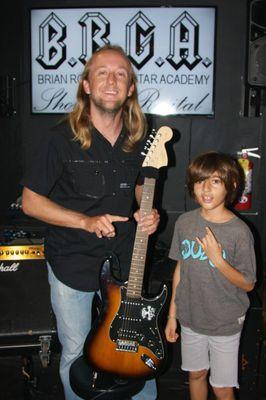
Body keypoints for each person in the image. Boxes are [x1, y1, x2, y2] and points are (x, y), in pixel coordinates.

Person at [21, 44, 159, 400]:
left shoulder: (141, 135)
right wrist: (84, 221)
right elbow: (31, 202)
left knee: (133, 345)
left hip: (126, 258)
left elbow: (142, 186)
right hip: (72, 259)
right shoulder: (58, 138)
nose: (111, 81)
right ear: (86, 84)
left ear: (130, 88)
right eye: (102, 72)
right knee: (76, 353)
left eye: (120, 74)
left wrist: (149, 210)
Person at [165, 151, 256, 400]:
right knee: (196, 375)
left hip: (225, 322)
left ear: (232, 185)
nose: (205, 188)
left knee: (222, 388)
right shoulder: (185, 222)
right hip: (191, 318)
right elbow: (180, 269)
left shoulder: (239, 232)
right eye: (199, 181)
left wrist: (218, 260)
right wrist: (172, 315)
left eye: (215, 181)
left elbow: (248, 284)